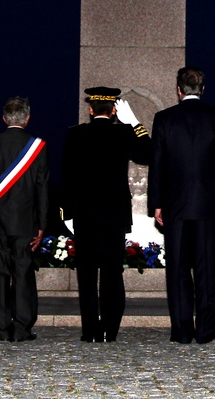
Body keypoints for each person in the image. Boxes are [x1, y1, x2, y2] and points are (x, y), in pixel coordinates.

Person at [148, 66, 215, 344]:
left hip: (175, 204)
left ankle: (182, 329)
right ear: (203, 89)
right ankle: (206, 329)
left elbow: (157, 163)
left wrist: (157, 204)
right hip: (207, 202)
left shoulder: (164, 119)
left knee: (177, 268)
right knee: (208, 267)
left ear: (179, 89)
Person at [61, 87, 152, 342]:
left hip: (84, 215)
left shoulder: (75, 134)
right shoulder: (123, 132)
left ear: (91, 110)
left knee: (87, 276)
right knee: (113, 274)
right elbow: (147, 153)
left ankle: (90, 331)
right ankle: (110, 330)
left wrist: (66, 213)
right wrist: (133, 121)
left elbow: (66, 176)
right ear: (114, 111)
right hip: (114, 215)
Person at [0, 96, 49, 341]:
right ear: (27, 119)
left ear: (4, 118)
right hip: (25, 221)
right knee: (23, 274)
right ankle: (22, 328)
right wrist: (42, 224)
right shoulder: (37, 145)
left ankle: (2, 328)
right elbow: (42, 188)